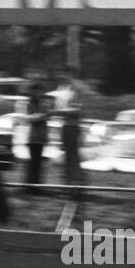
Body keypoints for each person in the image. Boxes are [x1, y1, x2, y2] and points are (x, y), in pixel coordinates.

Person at [55, 66, 86, 195]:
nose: (61, 76)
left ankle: (77, 186)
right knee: (66, 157)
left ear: (71, 74)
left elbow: (77, 110)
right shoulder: (63, 88)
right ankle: (68, 185)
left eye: (64, 73)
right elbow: (59, 107)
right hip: (65, 126)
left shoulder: (77, 88)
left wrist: (58, 111)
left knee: (73, 157)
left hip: (73, 126)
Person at [23, 80, 49, 194]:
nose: (38, 93)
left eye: (39, 91)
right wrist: (42, 115)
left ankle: (35, 186)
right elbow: (31, 118)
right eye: (36, 91)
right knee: (33, 164)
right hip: (33, 138)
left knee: (37, 164)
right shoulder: (31, 104)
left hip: (41, 138)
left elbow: (42, 118)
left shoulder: (42, 104)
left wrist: (41, 116)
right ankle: (31, 187)